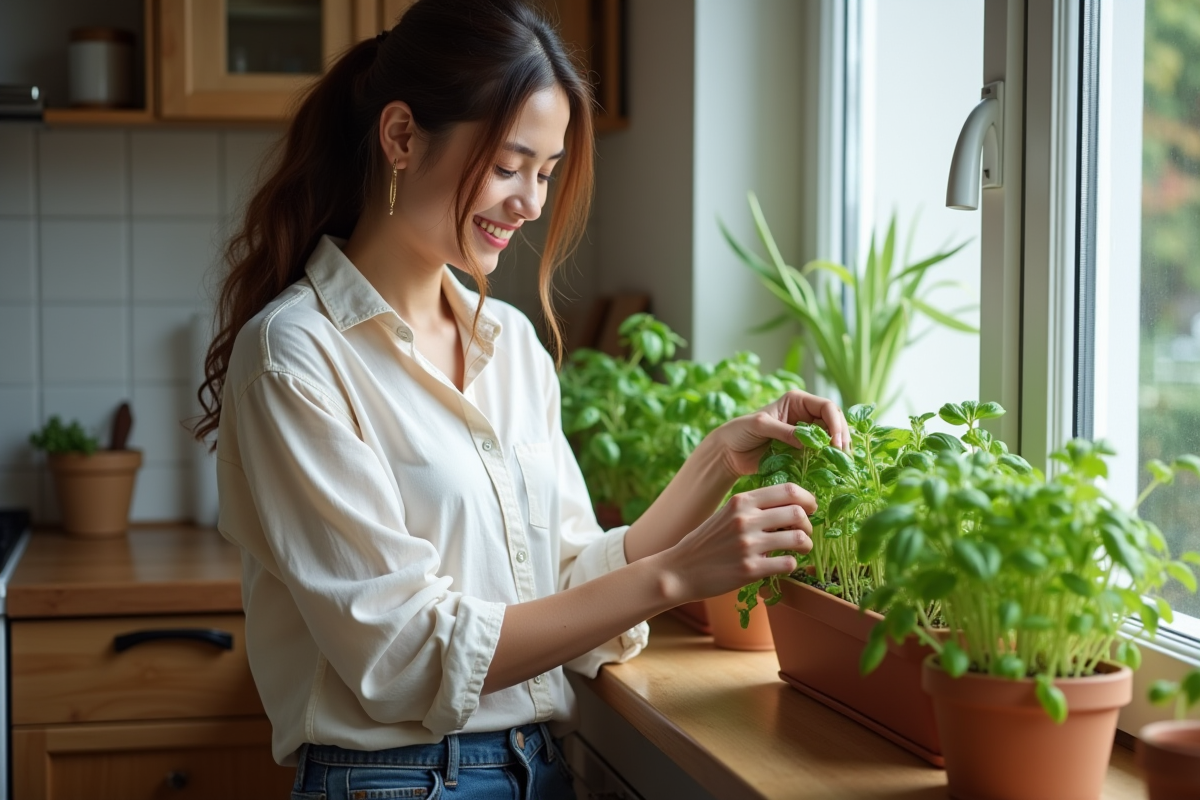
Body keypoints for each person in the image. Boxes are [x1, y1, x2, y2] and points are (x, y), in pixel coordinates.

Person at [194, 1, 848, 797]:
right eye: (510, 166)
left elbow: (565, 587)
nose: (532, 203)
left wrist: (715, 462)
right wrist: (677, 576)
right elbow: (404, 655)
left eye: (545, 172)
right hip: (394, 781)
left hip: (539, 769)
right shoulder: (295, 355)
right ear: (401, 137)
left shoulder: (509, 344)